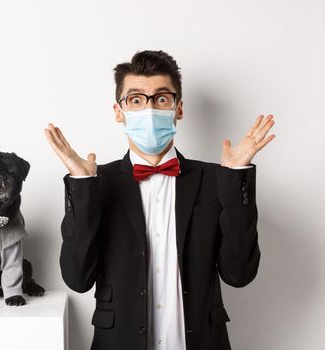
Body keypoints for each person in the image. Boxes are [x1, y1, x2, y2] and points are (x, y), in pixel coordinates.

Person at [44, 50, 275, 350]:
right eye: (136, 99)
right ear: (118, 111)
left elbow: (240, 274)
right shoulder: (96, 183)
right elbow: (78, 279)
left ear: (178, 109)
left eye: (162, 98)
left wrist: (236, 178)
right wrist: (82, 185)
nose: (149, 109)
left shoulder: (216, 179)